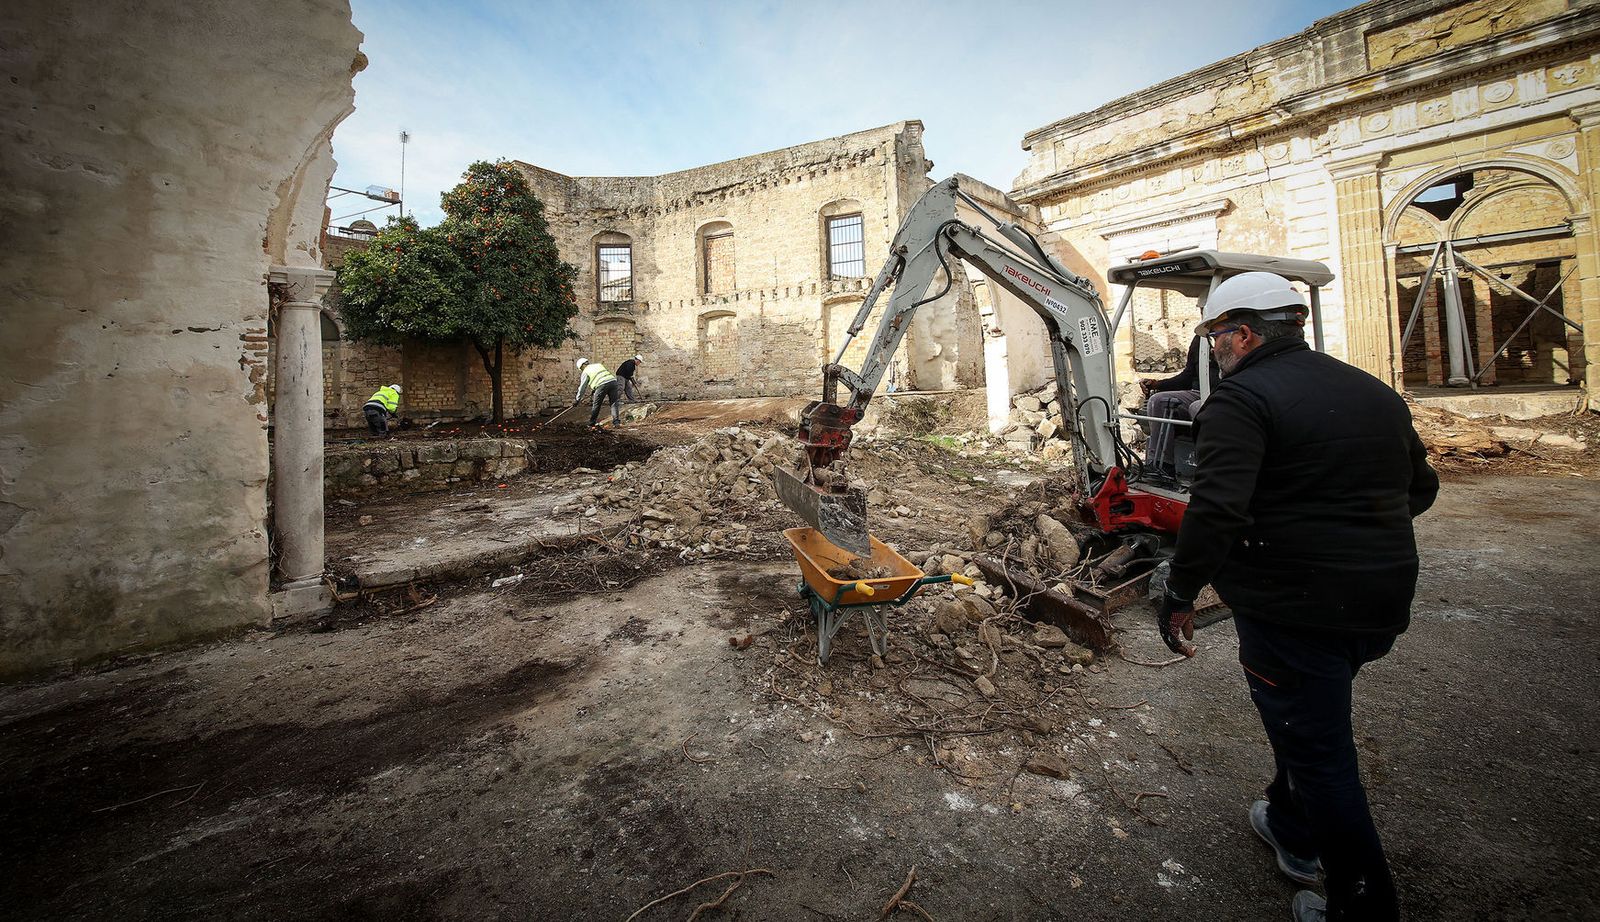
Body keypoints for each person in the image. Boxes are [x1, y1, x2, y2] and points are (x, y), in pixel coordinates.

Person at [1155, 271, 1439, 922]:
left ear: (1245, 333)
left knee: (1323, 756)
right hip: (1379, 605)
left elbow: (1217, 512)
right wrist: (1353, 535)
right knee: (1309, 719)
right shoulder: (1374, 393)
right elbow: (1420, 491)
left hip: (1295, 611)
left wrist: (1179, 593)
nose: (1211, 348)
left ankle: (1364, 908)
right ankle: (1289, 825)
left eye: (1213, 335)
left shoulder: (1241, 400)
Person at [1140, 335, 1219, 478]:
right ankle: (1161, 465)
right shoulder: (1200, 339)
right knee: (1157, 401)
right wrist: (1158, 384)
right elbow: (1187, 376)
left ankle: (1210, 470)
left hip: (1223, 392)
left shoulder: (1234, 335)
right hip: (1198, 392)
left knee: (1197, 407)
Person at [574, 357, 621, 430]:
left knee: (596, 404)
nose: (582, 370)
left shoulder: (585, 371)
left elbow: (582, 387)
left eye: (581, 369)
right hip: (613, 382)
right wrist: (595, 389)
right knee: (614, 403)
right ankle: (616, 422)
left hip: (602, 385)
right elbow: (603, 375)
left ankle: (592, 424)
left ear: (582, 366)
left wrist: (577, 399)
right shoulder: (598, 365)